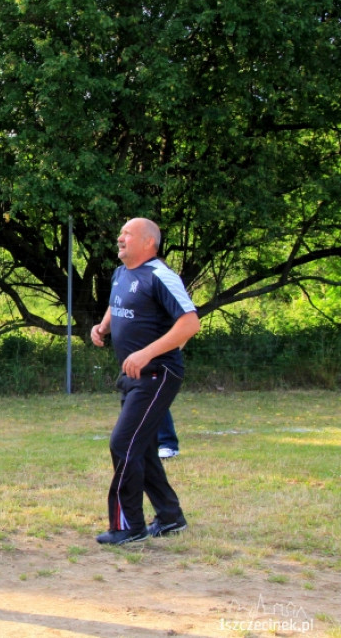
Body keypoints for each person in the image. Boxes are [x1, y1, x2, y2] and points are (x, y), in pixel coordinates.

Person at [90, 218, 200, 545]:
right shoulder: (121, 272)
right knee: (143, 449)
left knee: (123, 444)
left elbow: (189, 324)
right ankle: (169, 518)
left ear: (148, 243)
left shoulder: (160, 276)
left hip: (157, 373)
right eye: (120, 232)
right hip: (132, 376)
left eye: (127, 234)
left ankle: (129, 526)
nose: (120, 238)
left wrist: (145, 354)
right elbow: (117, 303)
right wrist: (103, 326)